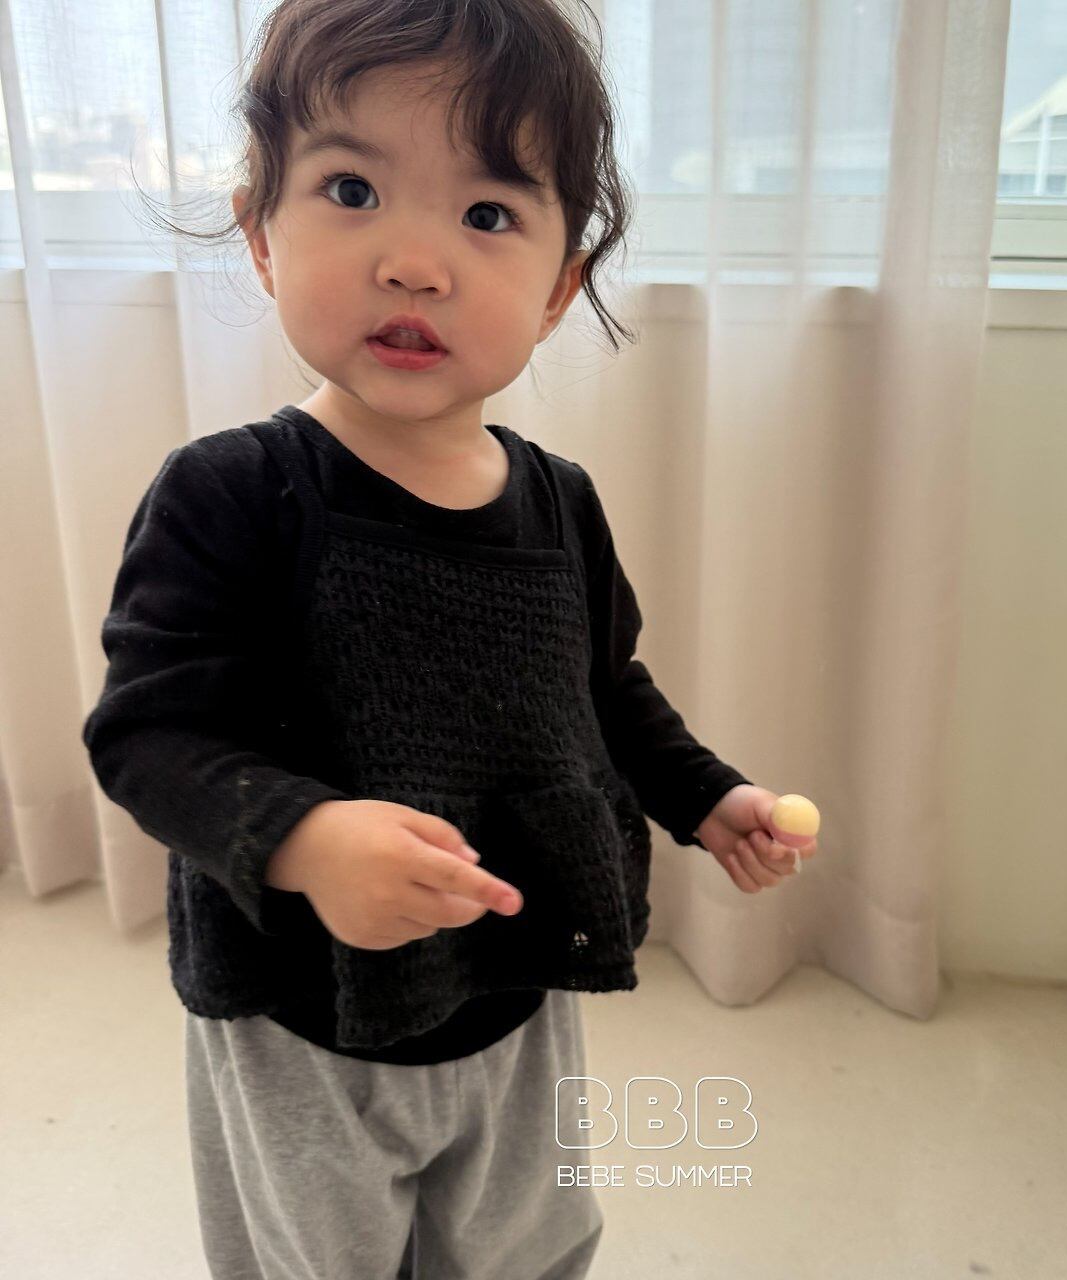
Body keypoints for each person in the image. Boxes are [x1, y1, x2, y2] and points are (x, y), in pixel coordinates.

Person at [82, 2, 818, 1277]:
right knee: (320, 1257)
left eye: (486, 213)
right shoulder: (229, 493)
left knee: (526, 1242)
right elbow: (150, 734)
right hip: (304, 1018)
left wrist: (705, 796)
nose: (415, 263)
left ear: (557, 288)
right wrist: (306, 838)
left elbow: (603, 688)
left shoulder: (559, 501)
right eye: (351, 190)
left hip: (514, 982)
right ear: (261, 233)